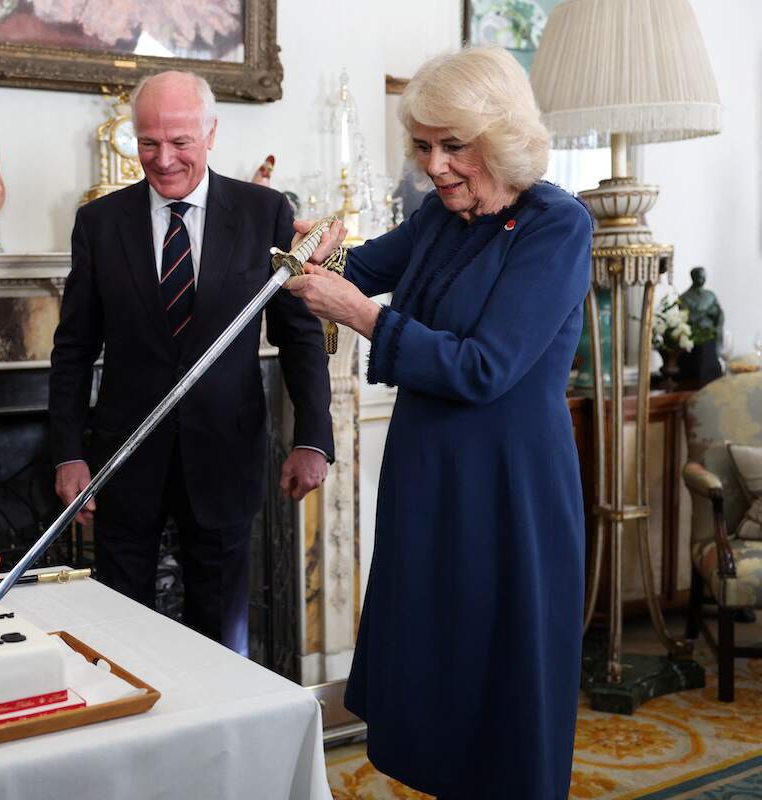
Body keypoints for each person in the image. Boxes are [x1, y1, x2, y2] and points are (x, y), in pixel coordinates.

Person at [286, 47, 591, 798]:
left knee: (499, 682)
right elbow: (360, 265)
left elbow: (485, 366)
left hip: (508, 485)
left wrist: (359, 317)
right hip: (430, 474)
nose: (436, 164)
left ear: (502, 135)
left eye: (454, 145)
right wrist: (313, 252)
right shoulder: (440, 217)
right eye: (424, 146)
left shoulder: (558, 225)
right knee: (439, 669)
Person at [49, 71, 334, 656]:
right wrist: (69, 451)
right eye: (148, 142)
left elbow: (300, 335)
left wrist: (314, 437)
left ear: (211, 133)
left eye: (179, 141)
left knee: (221, 631)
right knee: (120, 631)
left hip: (226, 455)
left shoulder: (265, 212)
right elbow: (74, 347)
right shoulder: (99, 224)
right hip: (124, 458)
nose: (163, 158)